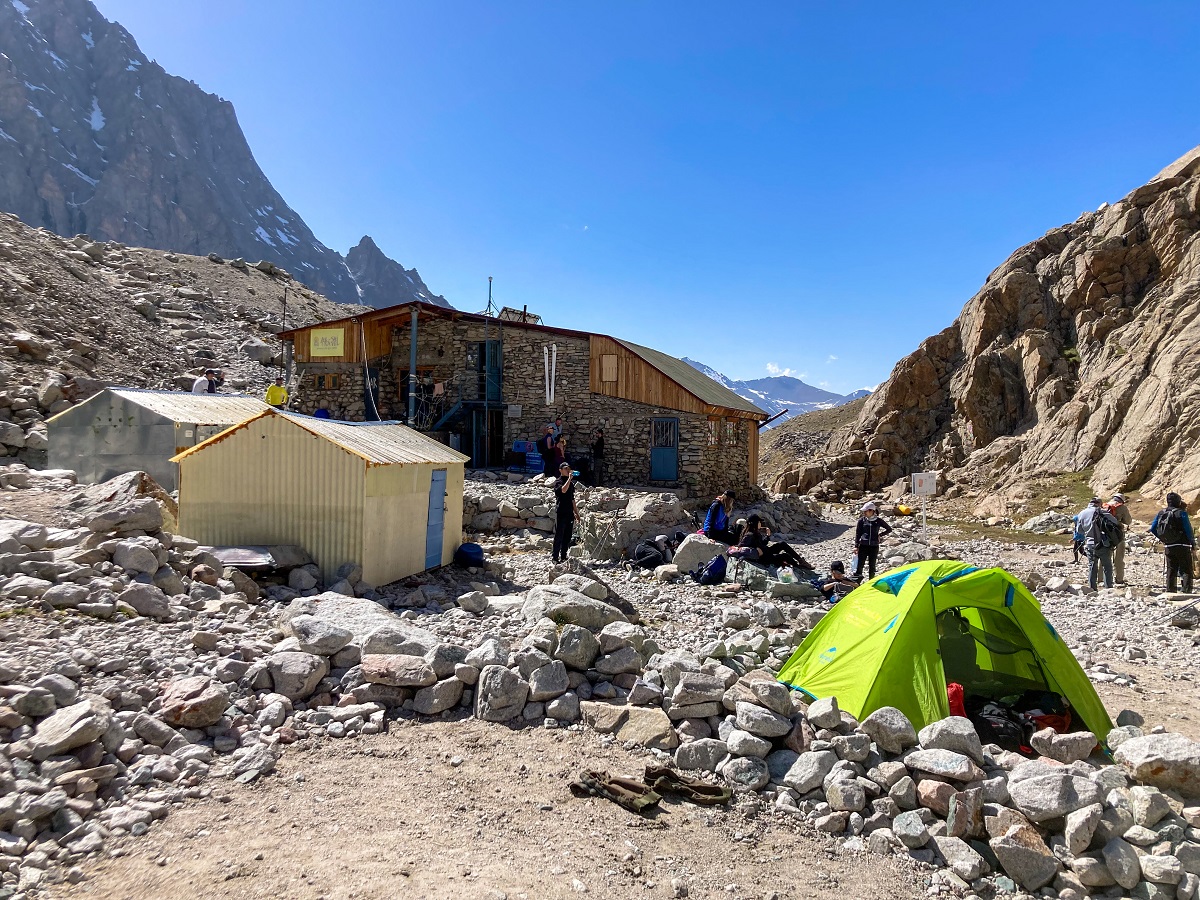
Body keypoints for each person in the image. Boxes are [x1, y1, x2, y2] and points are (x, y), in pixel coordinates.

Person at [1150, 492, 1195, 592]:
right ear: (1178, 502)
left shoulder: (1161, 513)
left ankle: (1170, 589)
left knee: (1171, 568)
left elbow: (1153, 528)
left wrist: (1163, 538)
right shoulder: (1181, 513)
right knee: (1186, 569)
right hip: (1182, 544)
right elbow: (1188, 529)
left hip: (1168, 545)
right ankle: (1186, 590)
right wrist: (1192, 543)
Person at [733, 515, 814, 570]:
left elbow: (762, 544)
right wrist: (755, 550)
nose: (760, 524)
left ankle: (800, 561)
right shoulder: (749, 535)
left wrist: (768, 536)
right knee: (785, 556)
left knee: (782, 544)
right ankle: (798, 567)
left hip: (766, 552)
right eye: (759, 522)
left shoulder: (755, 533)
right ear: (755, 523)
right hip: (764, 558)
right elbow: (740, 547)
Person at [1077, 496, 1120, 590]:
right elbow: (1115, 522)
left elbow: (1079, 530)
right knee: (1107, 566)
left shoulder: (1081, 513)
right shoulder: (1101, 511)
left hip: (1089, 544)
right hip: (1103, 543)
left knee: (1092, 566)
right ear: (1098, 503)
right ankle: (1108, 588)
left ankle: (1092, 588)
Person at [853, 502, 893, 580]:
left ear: (871, 511)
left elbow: (889, 529)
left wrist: (880, 535)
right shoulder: (862, 520)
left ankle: (871, 583)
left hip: (874, 546)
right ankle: (856, 583)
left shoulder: (878, 521)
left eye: (866, 511)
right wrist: (856, 546)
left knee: (872, 566)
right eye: (864, 511)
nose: (864, 513)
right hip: (863, 546)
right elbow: (858, 534)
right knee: (860, 565)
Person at [552, 461, 580, 564]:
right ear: (561, 470)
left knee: (567, 536)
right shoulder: (558, 482)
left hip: (569, 512)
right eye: (565, 469)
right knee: (559, 535)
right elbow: (563, 491)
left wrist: (576, 513)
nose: (568, 470)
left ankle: (563, 556)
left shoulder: (571, 484)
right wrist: (568, 479)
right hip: (561, 512)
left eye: (569, 469)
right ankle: (555, 557)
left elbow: (572, 499)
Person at [1105, 493, 1133, 583]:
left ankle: (1100, 578)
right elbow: (1128, 521)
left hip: (1105, 534)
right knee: (1119, 557)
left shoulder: (1105, 506)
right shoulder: (1122, 507)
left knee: (1105, 556)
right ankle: (1119, 578)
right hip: (1118, 534)